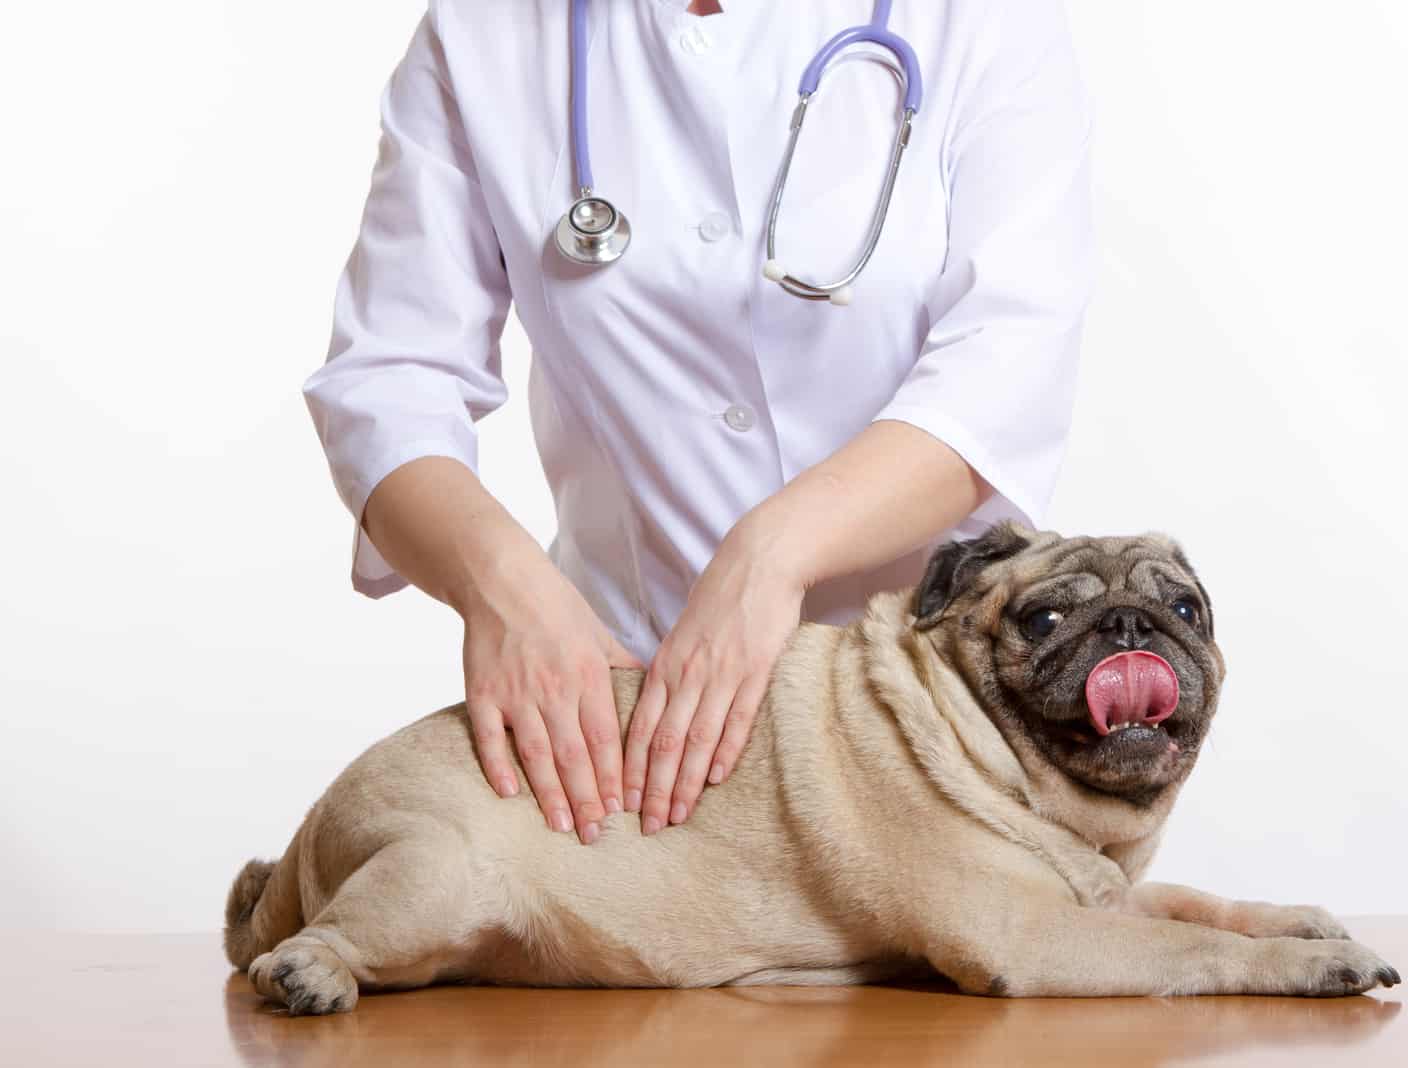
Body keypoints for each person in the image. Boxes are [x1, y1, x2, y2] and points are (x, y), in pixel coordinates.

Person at [303, 0, 1093, 848]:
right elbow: (389, 380)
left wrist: (771, 557)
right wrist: (504, 589)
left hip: (939, 716)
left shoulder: (981, 20)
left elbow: (1002, 368)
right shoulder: (481, 34)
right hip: (629, 724)